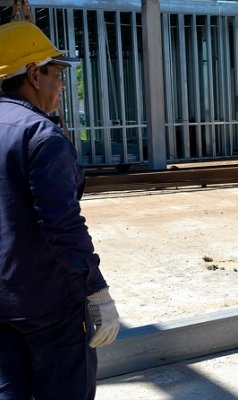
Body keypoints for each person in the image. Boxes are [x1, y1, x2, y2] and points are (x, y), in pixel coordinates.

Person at [0, 21, 120, 399]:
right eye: (56, 72)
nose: (62, 85)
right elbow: (62, 225)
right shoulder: (40, 135)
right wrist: (96, 291)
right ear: (33, 74)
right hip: (48, 304)